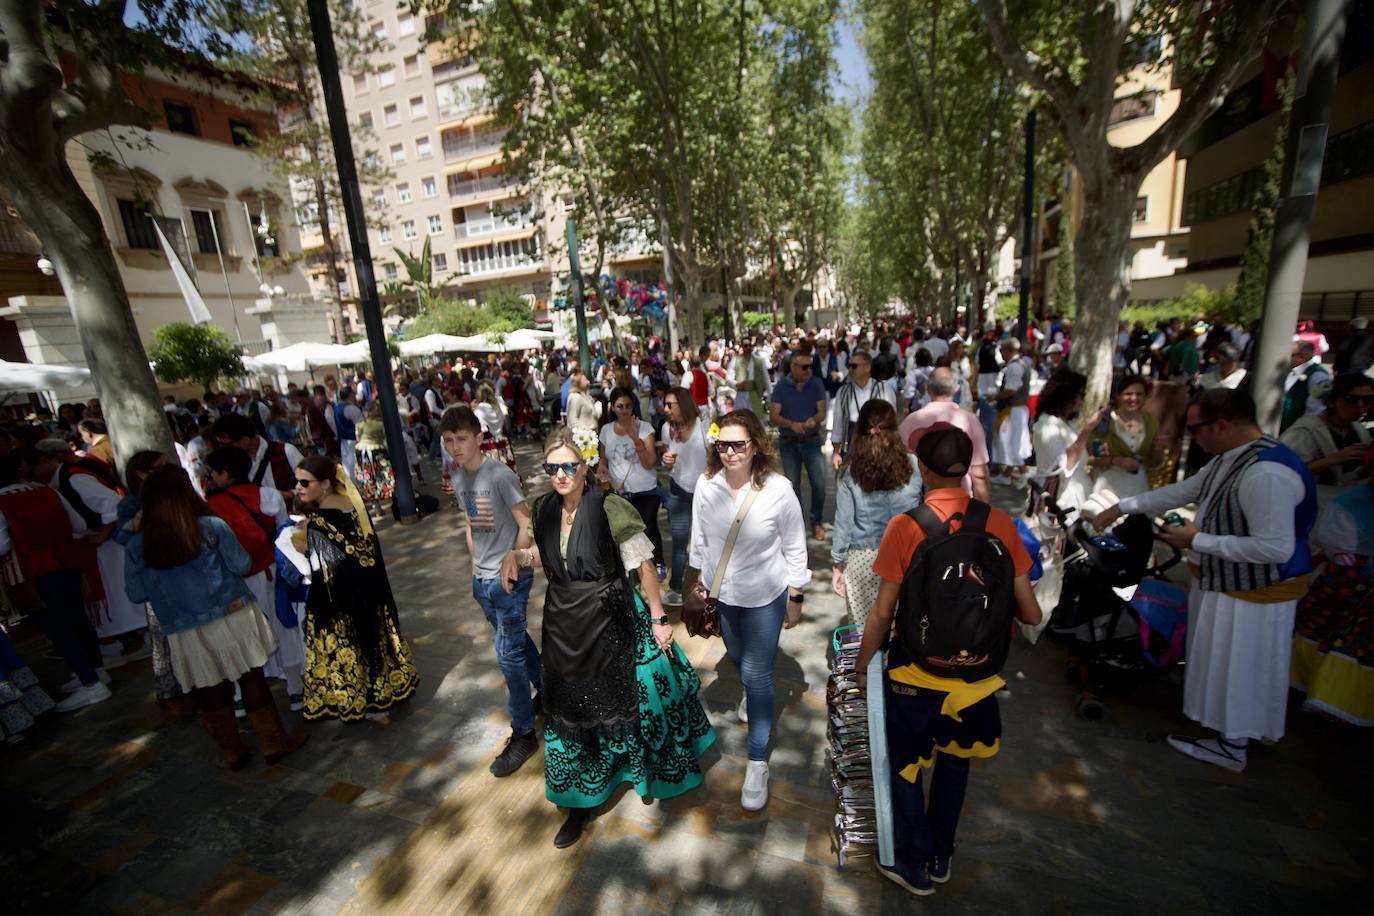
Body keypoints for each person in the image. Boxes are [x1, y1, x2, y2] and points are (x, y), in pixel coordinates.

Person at [500, 428, 714, 847]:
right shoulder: (544, 508)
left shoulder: (610, 506)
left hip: (609, 613)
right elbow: (547, 555)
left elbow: (644, 565)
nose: (561, 475)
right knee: (569, 706)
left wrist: (658, 617)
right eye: (553, 468)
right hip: (563, 619)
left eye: (569, 466)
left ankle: (634, 770)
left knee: (626, 696)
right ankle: (579, 802)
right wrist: (518, 555)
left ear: (585, 467)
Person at [855, 424, 1042, 897]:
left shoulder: (906, 527)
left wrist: (861, 665)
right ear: (965, 468)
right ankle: (941, 856)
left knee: (904, 765)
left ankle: (912, 863)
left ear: (923, 468)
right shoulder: (998, 522)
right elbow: (1032, 611)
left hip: (916, 675)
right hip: (977, 679)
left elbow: (881, 614)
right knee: (956, 765)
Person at [1094, 388, 1317, 772]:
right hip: (1230, 583)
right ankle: (1239, 730)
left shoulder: (1266, 473)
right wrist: (1122, 506)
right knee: (1230, 662)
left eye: (1195, 429)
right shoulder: (1234, 458)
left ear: (1222, 425)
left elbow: (1275, 548)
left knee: (1240, 664)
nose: (1191, 438)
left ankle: (1232, 743)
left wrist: (1196, 540)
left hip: (1255, 589)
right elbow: (1186, 490)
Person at [123, 466, 307, 770]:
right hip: (232, 612)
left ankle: (233, 751)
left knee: (209, 688)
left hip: (183, 627)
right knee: (252, 678)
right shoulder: (210, 526)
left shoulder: (136, 545)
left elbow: (135, 593)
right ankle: (274, 743)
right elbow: (242, 564)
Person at [690, 410, 809, 810]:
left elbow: (794, 545)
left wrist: (796, 595)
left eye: (739, 444)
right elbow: (701, 537)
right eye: (722, 444)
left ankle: (757, 761)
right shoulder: (706, 485)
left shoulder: (778, 489)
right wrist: (702, 581)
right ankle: (750, 691)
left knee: (758, 673)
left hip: (765, 596)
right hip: (725, 595)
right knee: (740, 659)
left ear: (756, 446)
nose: (730, 452)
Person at [441, 406, 543, 776]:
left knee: (508, 654)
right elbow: (471, 522)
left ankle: (524, 733)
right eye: (449, 440)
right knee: (514, 641)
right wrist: (475, 568)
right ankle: (548, 686)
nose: (455, 446)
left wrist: (513, 562)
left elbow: (526, 521)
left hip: (508, 579)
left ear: (478, 438)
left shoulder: (499, 475)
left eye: (462, 438)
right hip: (482, 580)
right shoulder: (460, 477)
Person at [294, 455, 419, 723]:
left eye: (305, 482)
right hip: (371, 590)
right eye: (297, 482)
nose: (298, 487)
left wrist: (306, 547)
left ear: (325, 484)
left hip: (343, 601)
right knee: (375, 643)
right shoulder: (352, 503)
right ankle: (385, 696)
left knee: (354, 649)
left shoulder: (320, 522)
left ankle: (367, 703)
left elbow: (325, 571)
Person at [0, 450, 109, 713]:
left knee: (59, 629)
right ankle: (96, 670)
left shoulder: (2, 503)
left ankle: (91, 683)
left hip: (32, 573)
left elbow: (1, 546)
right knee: (78, 618)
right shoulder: (47, 491)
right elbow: (79, 524)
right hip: (66, 562)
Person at [32, 439, 147, 665]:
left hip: (110, 545)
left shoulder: (75, 478)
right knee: (114, 595)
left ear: (46, 460)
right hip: (95, 547)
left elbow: (114, 504)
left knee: (122, 594)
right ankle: (115, 644)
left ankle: (146, 638)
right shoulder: (62, 481)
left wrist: (103, 533)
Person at [204, 447, 303, 712]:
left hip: (231, 581)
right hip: (270, 572)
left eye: (213, 472)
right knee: (283, 627)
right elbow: (284, 533)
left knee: (237, 636)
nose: (211, 477)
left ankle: (240, 696)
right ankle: (296, 689)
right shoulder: (267, 495)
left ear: (225, 473)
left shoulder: (209, 507)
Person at [1290, 448, 1374, 726]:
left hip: (1351, 584)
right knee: (1332, 636)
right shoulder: (1351, 504)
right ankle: (1327, 698)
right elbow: (1332, 547)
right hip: (1344, 584)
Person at [832, 400, 923, 625]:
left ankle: (867, 661)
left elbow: (843, 522)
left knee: (864, 629)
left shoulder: (850, 471)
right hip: (908, 558)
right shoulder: (914, 465)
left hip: (864, 559)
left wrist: (838, 563)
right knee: (903, 628)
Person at [598, 387, 665, 576]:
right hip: (618, 492)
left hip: (645, 490)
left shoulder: (644, 428)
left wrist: (637, 441)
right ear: (612, 408)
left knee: (648, 529)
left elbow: (650, 463)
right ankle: (634, 571)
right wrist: (602, 467)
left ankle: (657, 563)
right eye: (620, 406)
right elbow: (603, 458)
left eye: (628, 406)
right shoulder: (606, 430)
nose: (624, 410)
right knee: (626, 534)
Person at [897, 367, 990, 501]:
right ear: (956, 389)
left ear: (927, 388)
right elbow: (979, 474)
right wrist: (983, 510)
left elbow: (901, 465)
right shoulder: (970, 421)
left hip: (920, 501)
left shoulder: (910, 421)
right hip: (959, 500)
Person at [1031, 370, 1109, 521]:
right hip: (1061, 498)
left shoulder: (1066, 423)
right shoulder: (1046, 426)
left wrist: (1091, 449)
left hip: (1076, 492)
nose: (1082, 399)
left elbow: (1076, 452)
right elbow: (1065, 466)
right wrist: (1087, 430)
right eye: (1081, 394)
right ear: (1066, 394)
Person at [769, 347, 829, 541]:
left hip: (811, 441)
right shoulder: (780, 387)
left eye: (810, 366)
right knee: (792, 488)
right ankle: (796, 525)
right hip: (788, 444)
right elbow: (774, 415)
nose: (808, 370)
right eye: (803, 367)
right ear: (793, 367)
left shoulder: (816, 384)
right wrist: (791, 424)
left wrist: (814, 419)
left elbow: (821, 411)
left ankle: (816, 520)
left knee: (819, 484)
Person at [658, 387, 708, 604]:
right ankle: (675, 589)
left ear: (683, 404)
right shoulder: (666, 429)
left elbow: (716, 457)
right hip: (678, 491)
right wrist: (665, 461)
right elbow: (665, 459)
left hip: (705, 494)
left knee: (706, 542)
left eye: (670, 405)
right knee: (680, 543)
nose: (666, 409)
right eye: (665, 404)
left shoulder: (704, 426)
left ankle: (706, 588)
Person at [1280, 374, 1373, 490]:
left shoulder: (1359, 429)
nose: (1360, 405)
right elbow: (1285, 471)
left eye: (1368, 400)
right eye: (1351, 399)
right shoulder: (1304, 432)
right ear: (1331, 402)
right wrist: (1333, 459)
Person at [1089, 374, 1162, 508]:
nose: (1133, 398)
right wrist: (1117, 461)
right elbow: (1091, 458)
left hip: (1138, 488)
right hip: (1107, 488)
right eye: (1127, 394)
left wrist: (1158, 450)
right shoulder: (1105, 421)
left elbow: (1155, 463)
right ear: (1118, 396)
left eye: (1139, 394)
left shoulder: (1151, 422)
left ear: (1145, 396)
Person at [830, 349, 900, 470]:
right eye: (849, 366)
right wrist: (836, 452)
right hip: (850, 449)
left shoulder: (884, 390)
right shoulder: (843, 392)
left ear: (867, 367)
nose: (850, 370)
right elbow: (838, 423)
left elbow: (891, 423)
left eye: (853, 366)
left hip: (878, 448)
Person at [213, 413, 304, 505]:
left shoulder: (285, 451)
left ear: (245, 440)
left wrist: (288, 494)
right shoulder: (233, 465)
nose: (223, 449)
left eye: (226, 445)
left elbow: (314, 483)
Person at [989, 339, 1033, 482]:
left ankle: (1024, 473)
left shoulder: (1015, 367)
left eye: (1002, 350)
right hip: (1016, 409)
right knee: (1013, 442)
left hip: (1013, 410)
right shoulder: (1020, 364)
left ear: (1007, 350)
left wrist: (995, 396)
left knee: (1010, 443)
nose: (1000, 353)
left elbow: (1011, 389)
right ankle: (1007, 475)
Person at [1282, 340, 1332, 433]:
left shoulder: (1318, 376)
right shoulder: (1289, 370)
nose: (1285, 358)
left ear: (1302, 356)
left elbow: (1316, 410)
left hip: (1298, 431)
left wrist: (1301, 430)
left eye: (1290, 355)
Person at [354, 400, 397, 506]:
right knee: (383, 474)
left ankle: (374, 504)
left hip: (361, 451)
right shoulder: (381, 424)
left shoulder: (360, 424)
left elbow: (358, 438)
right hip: (377, 450)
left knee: (366, 477)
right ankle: (388, 496)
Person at [474, 382, 519, 474]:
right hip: (501, 439)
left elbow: (480, 427)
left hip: (488, 443)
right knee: (505, 465)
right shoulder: (496, 406)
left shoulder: (480, 409)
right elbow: (503, 418)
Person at [731, 337, 771, 416]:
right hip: (741, 395)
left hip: (755, 394)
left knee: (756, 420)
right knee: (741, 420)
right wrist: (737, 384)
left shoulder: (760, 361)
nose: (748, 347)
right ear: (742, 347)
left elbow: (766, 379)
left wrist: (770, 396)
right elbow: (728, 378)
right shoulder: (735, 360)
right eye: (745, 346)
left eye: (750, 345)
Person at [334, 386, 364, 482]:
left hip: (344, 439)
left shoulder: (337, 406)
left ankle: (351, 483)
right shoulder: (351, 408)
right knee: (354, 463)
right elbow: (360, 426)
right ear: (350, 395)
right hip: (353, 439)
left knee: (347, 464)